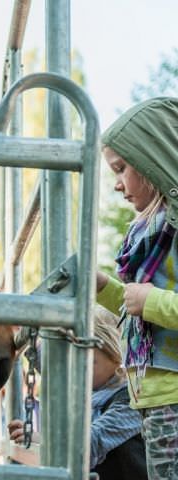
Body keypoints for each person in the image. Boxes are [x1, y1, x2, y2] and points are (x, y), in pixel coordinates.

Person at [97, 97, 178, 479]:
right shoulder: (146, 234)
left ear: (151, 160)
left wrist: (152, 300)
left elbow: (149, 302)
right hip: (150, 396)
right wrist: (103, 287)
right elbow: (135, 306)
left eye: (121, 168)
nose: (115, 184)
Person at [9, 307, 147, 478]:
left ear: (115, 353)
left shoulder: (133, 398)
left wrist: (43, 439)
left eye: (88, 361)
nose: (76, 368)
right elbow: (46, 360)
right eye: (72, 358)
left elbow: (92, 442)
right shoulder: (89, 385)